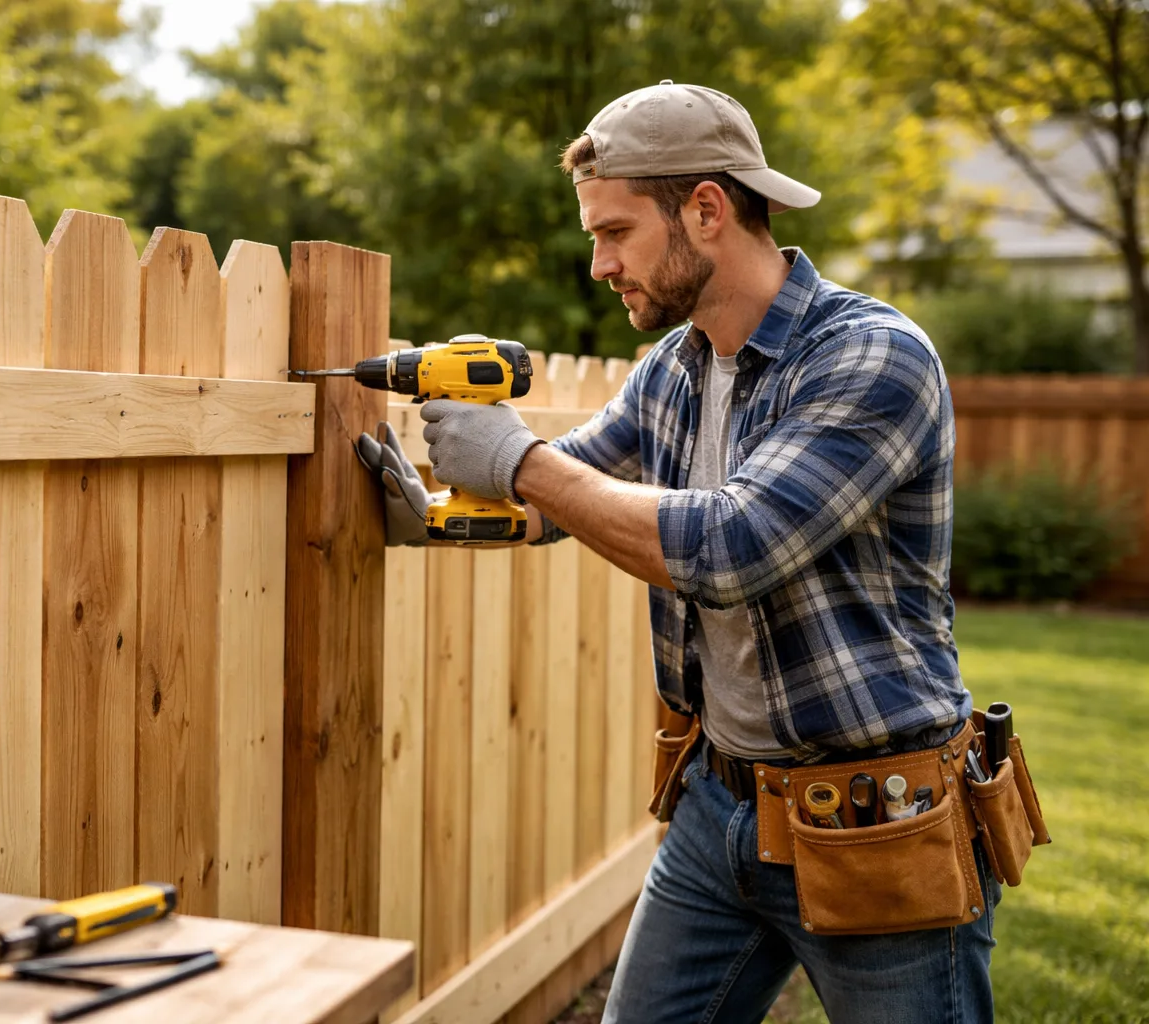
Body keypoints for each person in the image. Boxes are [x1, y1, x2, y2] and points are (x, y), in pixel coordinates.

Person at [355, 81, 999, 1023]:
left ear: (704, 209)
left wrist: (517, 461)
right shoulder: (677, 366)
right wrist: (443, 508)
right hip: (719, 805)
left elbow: (732, 548)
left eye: (614, 233)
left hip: (877, 819)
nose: (598, 265)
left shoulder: (872, 358)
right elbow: (569, 494)